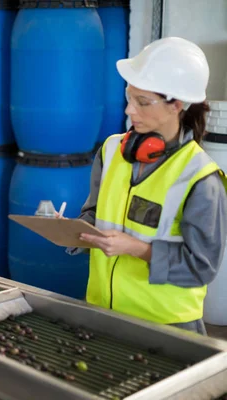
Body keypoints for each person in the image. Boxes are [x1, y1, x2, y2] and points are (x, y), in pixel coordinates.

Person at [65, 37, 227, 336]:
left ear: (176, 105)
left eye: (142, 102)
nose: (130, 111)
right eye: (129, 98)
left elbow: (201, 267)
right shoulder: (112, 150)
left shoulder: (201, 177)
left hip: (168, 327)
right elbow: (94, 214)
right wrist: (72, 231)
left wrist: (138, 249)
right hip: (103, 313)